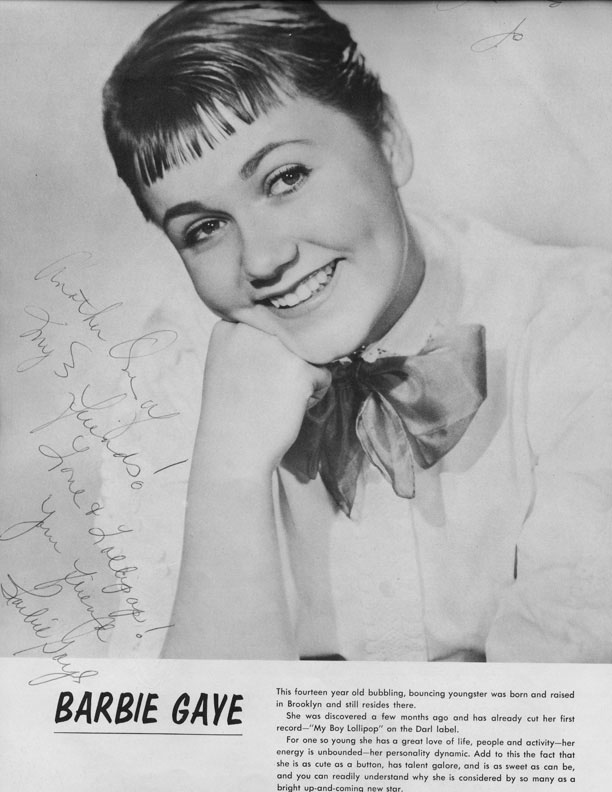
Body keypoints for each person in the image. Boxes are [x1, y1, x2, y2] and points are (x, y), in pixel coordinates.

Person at [102, 0, 612, 662]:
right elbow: (195, 717)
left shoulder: (581, 324)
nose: (262, 259)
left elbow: (564, 706)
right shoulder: (169, 374)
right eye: (204, 228)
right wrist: (228, 473)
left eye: (285, 178)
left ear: (389, 140)